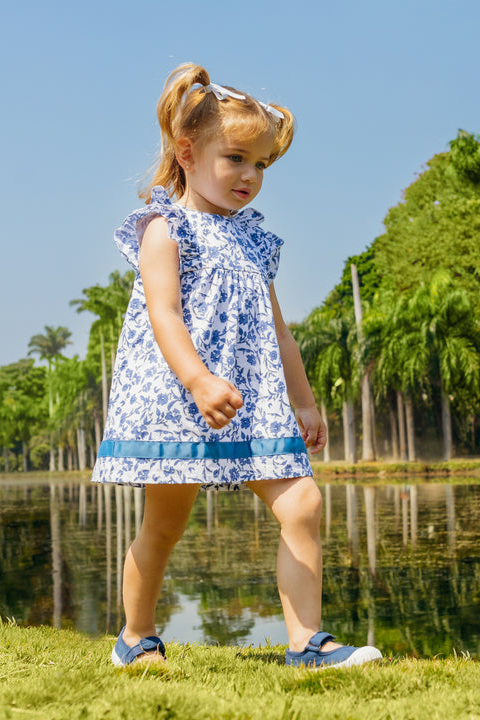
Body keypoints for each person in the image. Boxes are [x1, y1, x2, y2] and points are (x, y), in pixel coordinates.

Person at [91, 63, 381, 670]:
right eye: (237, 159)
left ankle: (306, 642)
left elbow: (277, 331)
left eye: (262, 165)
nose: (250, 176)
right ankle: (135, 638)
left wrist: (302, 400)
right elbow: (165, 315)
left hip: (252, 399)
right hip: (178, 399)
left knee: (301, 502)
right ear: (188, 152)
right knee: (164, 525)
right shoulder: (164, 231)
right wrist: (197, 378)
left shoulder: (253, 239)